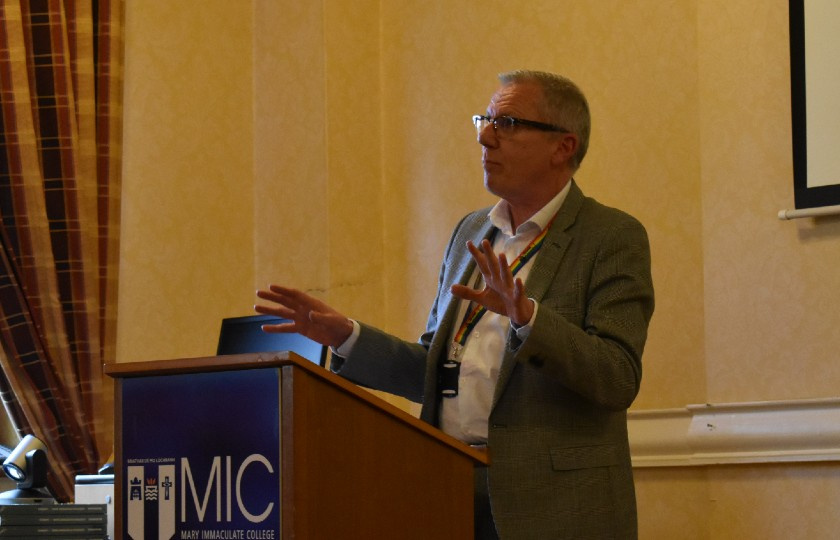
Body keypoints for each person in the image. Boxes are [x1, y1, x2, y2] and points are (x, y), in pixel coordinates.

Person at [255, 70, 654, 539]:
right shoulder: (470, 232)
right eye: (485, 120)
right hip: (449, 485)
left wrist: (527, 319)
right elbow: (435, 369)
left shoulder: (610, 236)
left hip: (553, 507)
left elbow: (616, 377)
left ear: (562, 146)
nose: (485, 137)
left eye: (506, 123)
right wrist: (345, 336)